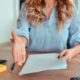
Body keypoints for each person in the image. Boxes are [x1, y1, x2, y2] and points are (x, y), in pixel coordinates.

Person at [11, 0, 80, 66]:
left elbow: (78, 40)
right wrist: (20, 43)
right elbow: (23, 33)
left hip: (60, 63)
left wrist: (72, 52)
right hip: (33, 64)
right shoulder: (27, 6)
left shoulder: (70, 6)